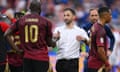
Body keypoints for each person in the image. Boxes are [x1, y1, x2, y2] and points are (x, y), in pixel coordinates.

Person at [4, 1, 53, 72]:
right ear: (40, 9)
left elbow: (6, 34)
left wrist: (17, 50)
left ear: (29, 9)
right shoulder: (46, 22)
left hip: (27, 58)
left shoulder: (21, 20)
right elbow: (49, 43)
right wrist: (55, 41)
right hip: (41, 58)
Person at [53, 8, 89, 72]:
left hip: (73, 63)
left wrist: (84, 39)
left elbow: (89, 43)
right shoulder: (58, 30)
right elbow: (52, 46)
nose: (66, 17)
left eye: (68, 15)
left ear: (74, 17)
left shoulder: (80, 31)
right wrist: (55, 39)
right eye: (64, 15)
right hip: (60, 62)